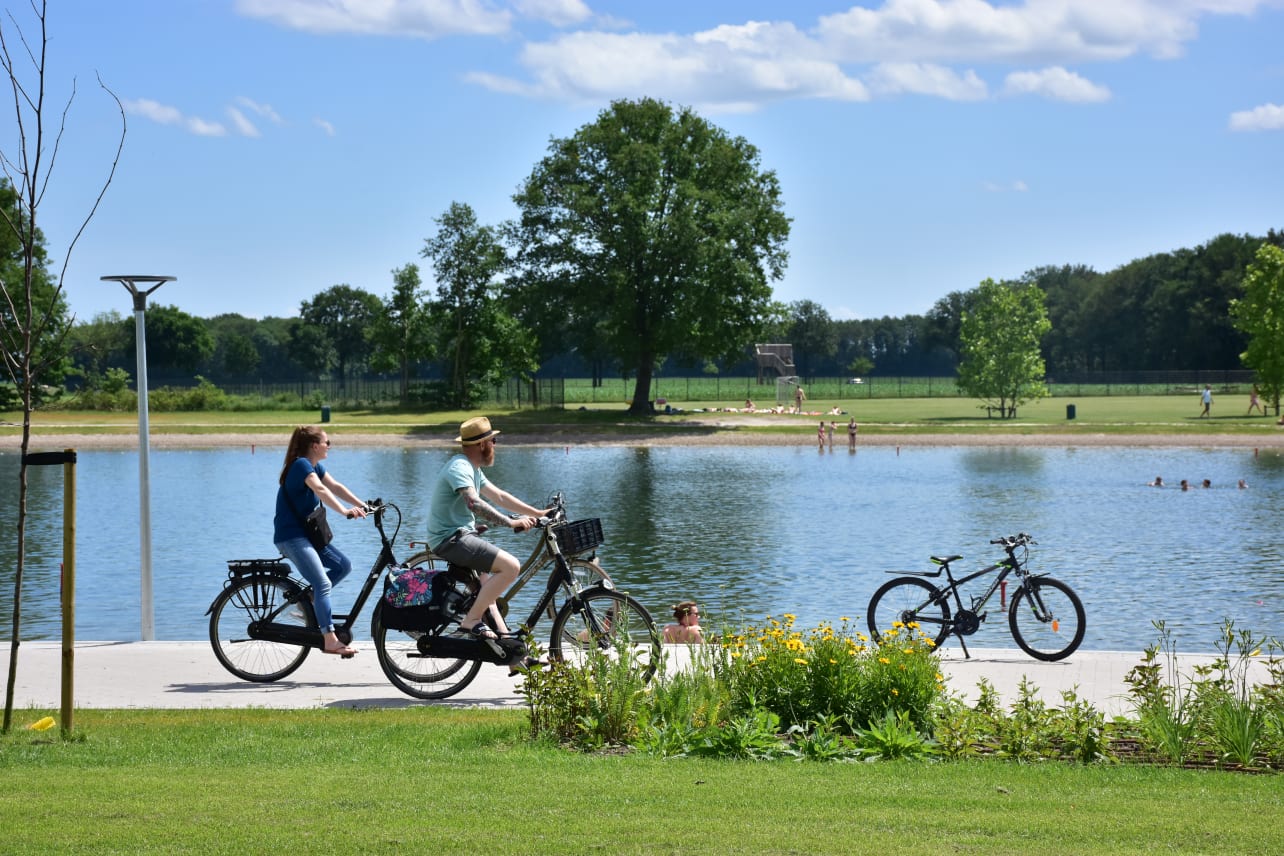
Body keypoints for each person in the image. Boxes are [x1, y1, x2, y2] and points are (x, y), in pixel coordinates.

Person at [426, 416, 549, 653]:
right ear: (482, 444)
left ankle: (514, 658)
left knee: (489, 597)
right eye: (494, 440)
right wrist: (510, 522)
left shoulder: (472, 469)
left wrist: (537, 512)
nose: (495, 445)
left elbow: (499, 496)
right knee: (511, 567)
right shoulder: (459, 467)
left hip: (463, 536)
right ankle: (471, 621)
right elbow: (474, 503)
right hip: (450, 539)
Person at [273, 426, 368, 657]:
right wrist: (345, 511)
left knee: (343, 566)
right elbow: (321, 489)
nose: (330, 445)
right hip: (291, 536)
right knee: (323, 583)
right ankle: (329, 639)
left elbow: (335, 486)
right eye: (327, 442)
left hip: (306, 536)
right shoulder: (301, 465)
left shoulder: (314, 465)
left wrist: (364, 505)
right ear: (315, 446)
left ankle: (308, 600)